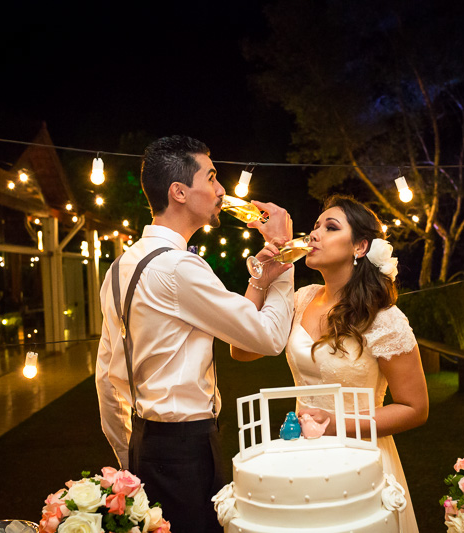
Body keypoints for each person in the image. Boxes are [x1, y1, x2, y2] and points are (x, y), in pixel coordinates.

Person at [96, 135, 295, 533]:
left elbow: (107, 376)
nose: (222, 190)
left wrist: (131, 458)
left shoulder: (120, 267)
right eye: (213, 177)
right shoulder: (179, 268)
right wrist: (286, 252)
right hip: (186, 451)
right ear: (180, 192)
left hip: (146, 445)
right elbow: (267, 338)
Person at [231, 195, 429, 533]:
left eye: (330, 227)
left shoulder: (383, 318)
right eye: (315, 226)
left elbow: (415, 407)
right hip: (302, 453)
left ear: (360, 247)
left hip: (362, 458)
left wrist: (336, 423)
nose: (314, 234)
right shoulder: (301, 298)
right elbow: (242, 349)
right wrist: (261, 280)